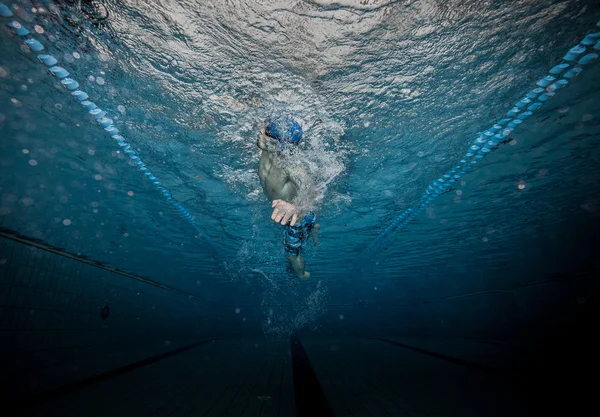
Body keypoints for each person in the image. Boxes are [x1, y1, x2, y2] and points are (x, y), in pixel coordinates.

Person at [257, 119, 320, 278]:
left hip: (296, 217)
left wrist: (295, 207)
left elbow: (312, 192)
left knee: (291, 255)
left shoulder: (289, 166)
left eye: (265, 131)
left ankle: (302, 274)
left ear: (275, 143)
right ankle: (314, 228)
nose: (260, 132)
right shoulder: (266, 148)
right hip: (281, 211)